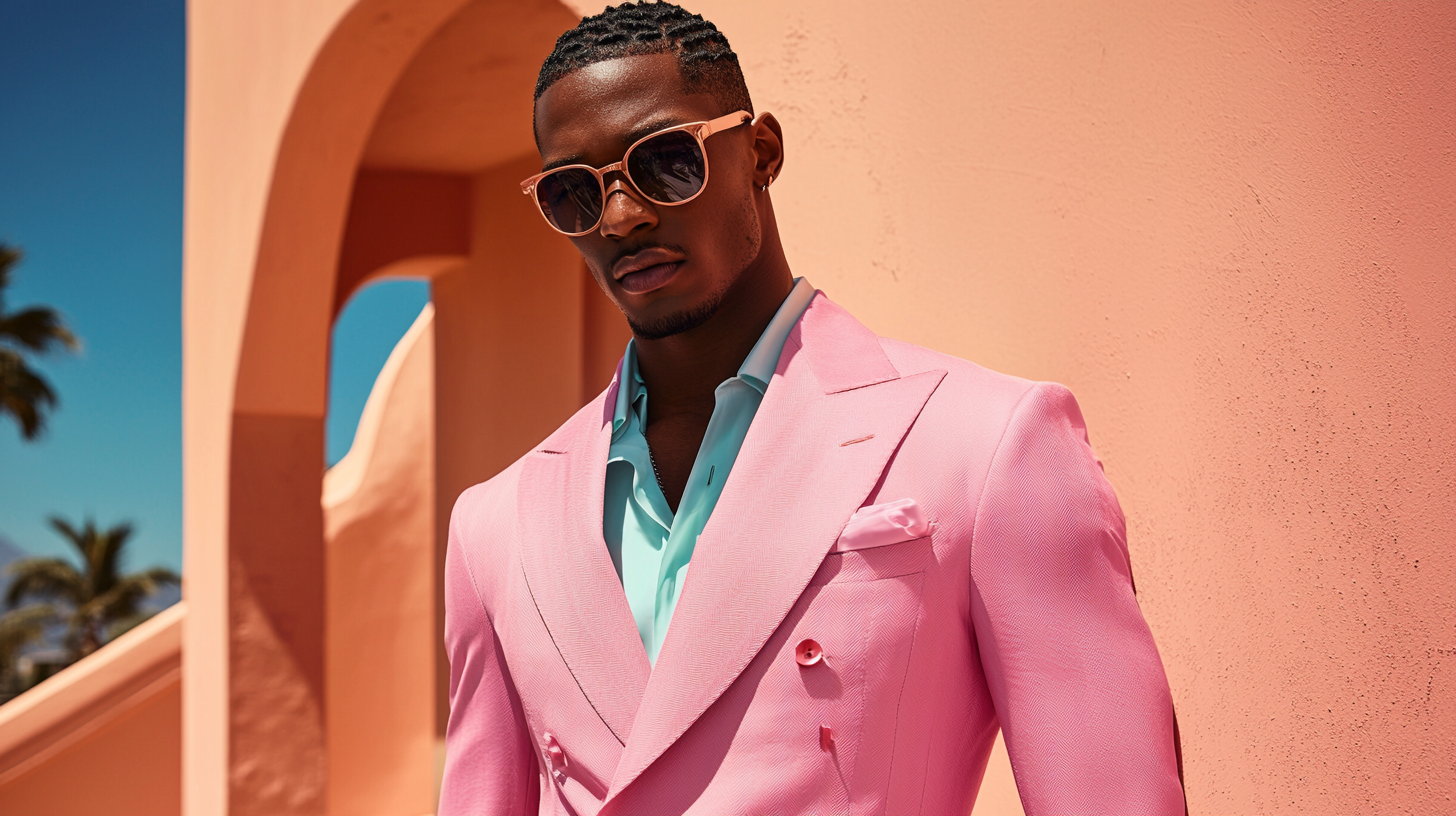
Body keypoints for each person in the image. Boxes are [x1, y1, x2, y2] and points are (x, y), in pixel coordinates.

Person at [438, 3, 1185, 813]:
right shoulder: (495, 527)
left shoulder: (989, 442)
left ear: (760, 153)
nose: (621, 217)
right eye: (575, 193)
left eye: (664, 163)